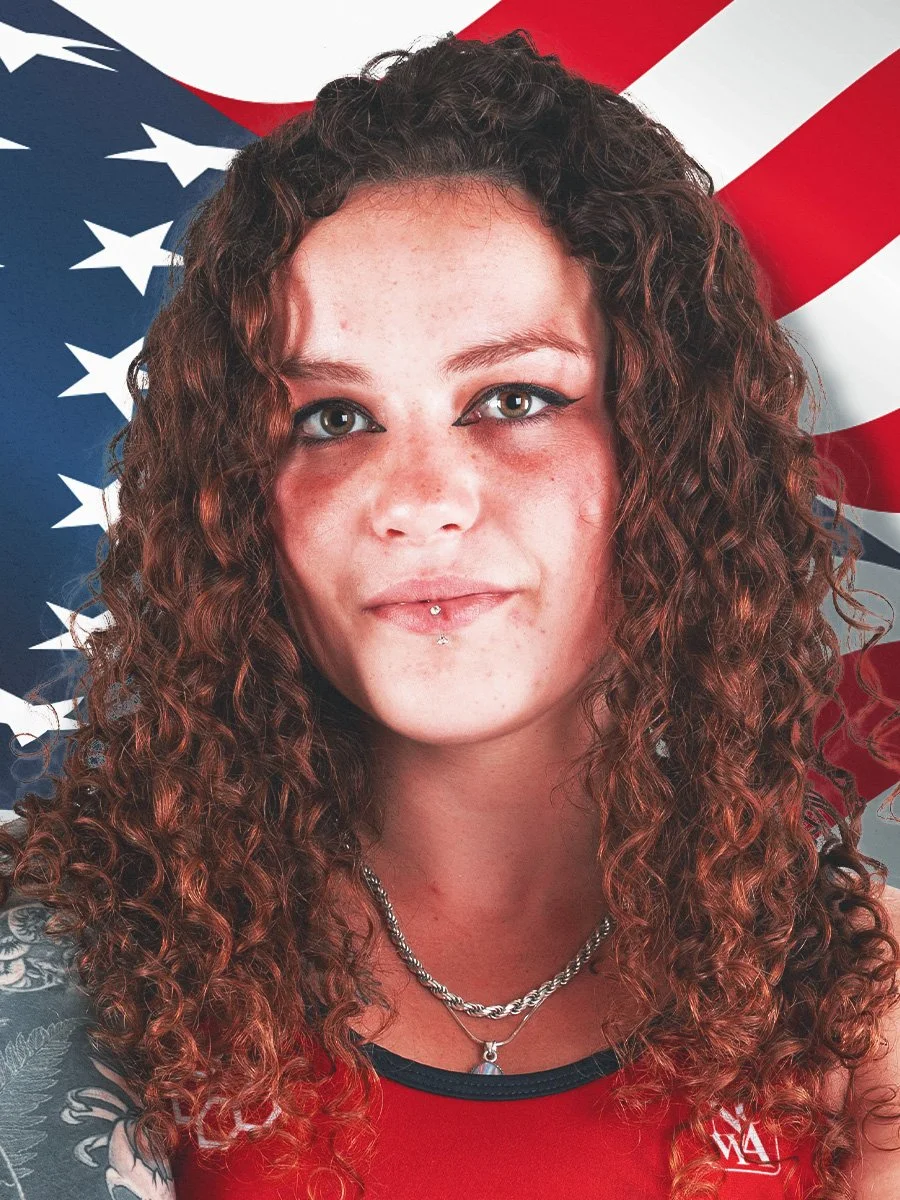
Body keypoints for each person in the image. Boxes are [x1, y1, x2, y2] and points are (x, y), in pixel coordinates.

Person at [1, 28, 898, 1200]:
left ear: (669, 455)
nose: (416, 500)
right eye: (331, 419)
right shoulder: (66, 959)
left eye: (513, 398)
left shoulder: (854, 999)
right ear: (233, 498)